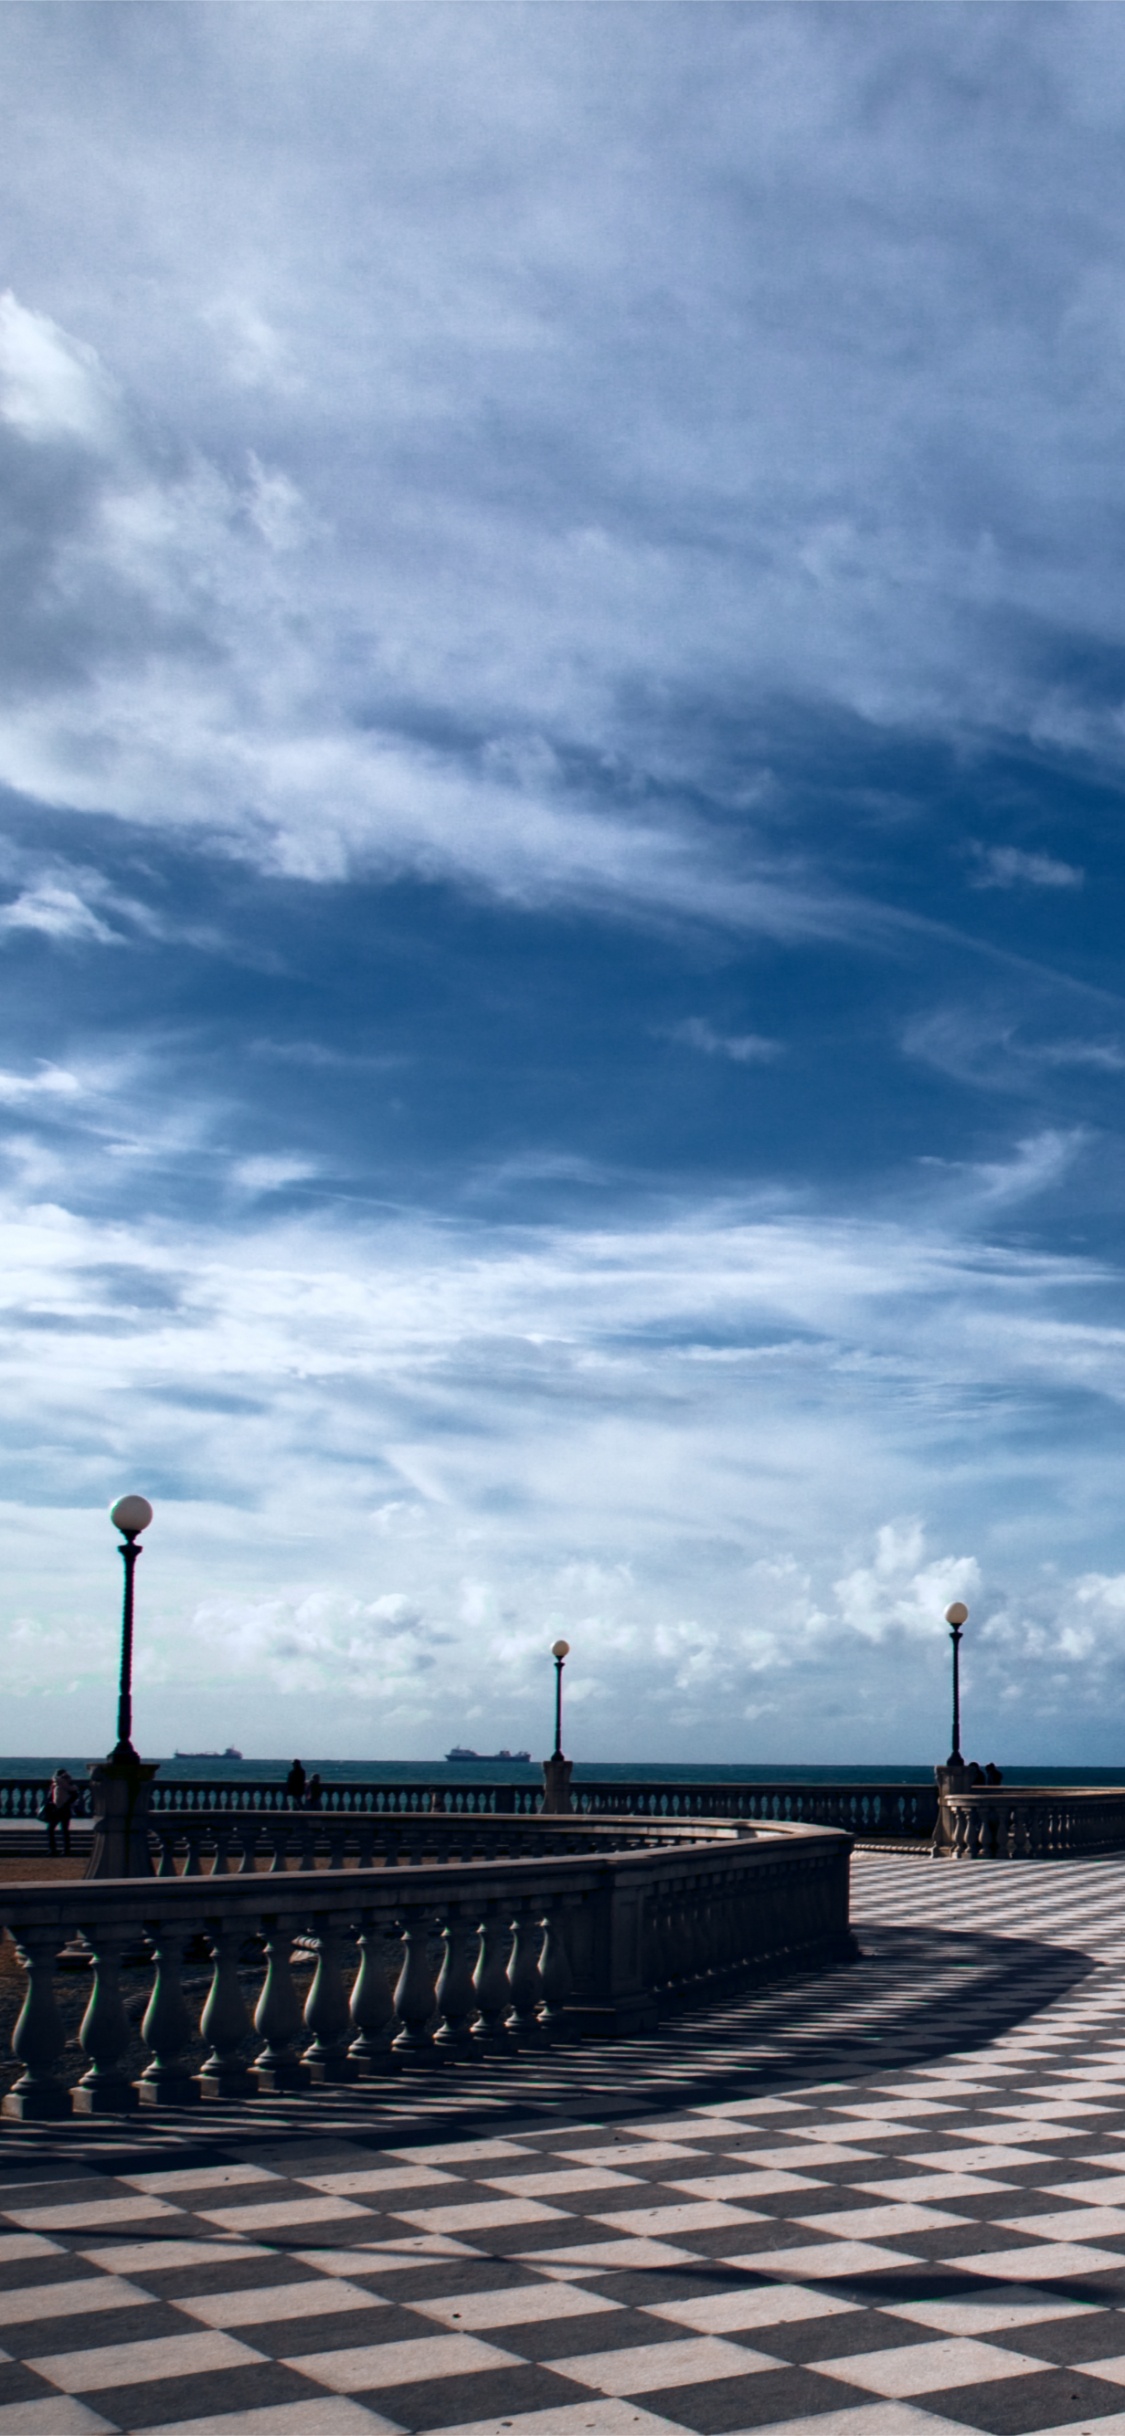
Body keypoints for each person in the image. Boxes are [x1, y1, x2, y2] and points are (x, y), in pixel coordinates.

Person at [44, 1765, 78, 1857]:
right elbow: (74, 1796)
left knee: (51, 1829)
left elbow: (51, 1798)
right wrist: (66, 1804)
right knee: (64, 1830)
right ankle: (66, 1850)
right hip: (65, 1810)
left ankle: (53, 1849)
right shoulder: (70, 1785)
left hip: (58, 1809)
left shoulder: (56, 1784)